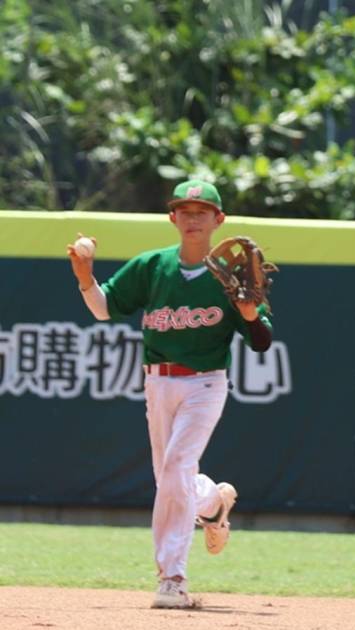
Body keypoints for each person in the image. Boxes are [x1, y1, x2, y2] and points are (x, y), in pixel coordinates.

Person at [67, 180, 273, 608]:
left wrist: (251, 314)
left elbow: (261, 341)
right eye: (185, 209)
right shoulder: (152, 266)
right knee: (170, 479)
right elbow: (105, 307)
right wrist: (86, 278)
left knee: (177, 465)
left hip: (205, 382)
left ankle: (172, 579)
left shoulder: (228, 278)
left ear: (219, 220)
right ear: (172, 217)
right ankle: (213, 503)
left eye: (202, 210)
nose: (193, 217)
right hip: (158, 382)